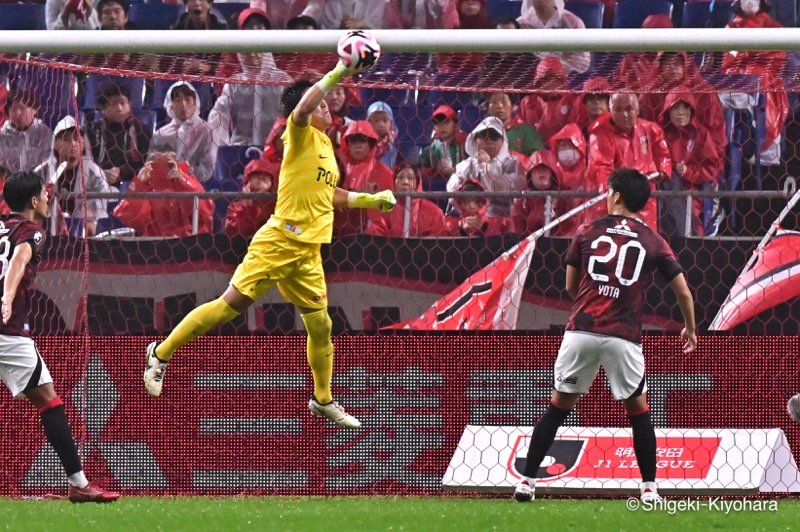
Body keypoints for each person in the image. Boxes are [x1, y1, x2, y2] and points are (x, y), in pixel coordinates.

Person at [142, 63, 397, 430]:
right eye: (323, 104)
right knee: (226, 309)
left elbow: (328, 194)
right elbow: (304, 109)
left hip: (309, 251)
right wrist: (340, 70)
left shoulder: (326, 146)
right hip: (279, 242)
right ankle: (160, 353)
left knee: (321, 326)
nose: (328, 109)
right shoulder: (300, 132)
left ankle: (322, 399)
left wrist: (370, 201)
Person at [513, 168, 697, 504]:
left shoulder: (586, 230)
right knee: (638, 411)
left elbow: (570, 286)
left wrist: (593, 299)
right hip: (623, 336)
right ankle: (649, 489)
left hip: (581, 330)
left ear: (616, 195)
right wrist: (690, 327)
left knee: (558, 407)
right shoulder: (653, 240)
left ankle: (526, 481)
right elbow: (683, 291)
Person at [0, 171, 121, 503]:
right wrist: (7, 296)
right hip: (6, 334)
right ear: (34, 202)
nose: (49, 197)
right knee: (49, 400)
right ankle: (79, 484)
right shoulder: (32, 232)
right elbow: (20, 260)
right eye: (44, 192)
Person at [587, 93, 671, 230]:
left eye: (629, 109)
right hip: (614, 201)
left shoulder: (651, 129)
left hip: (644, 200)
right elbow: (601, 167)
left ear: (638, 110)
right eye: (618, 110)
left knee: (643, 241)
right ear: (610, 110)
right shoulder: (600, 135)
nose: (624, 115)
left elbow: (664, 157)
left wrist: (661, 171)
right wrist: (615, 189)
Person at [35, 116, 111, 237]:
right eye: (66, 139)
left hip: (84, 235)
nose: (73, 144)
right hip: (47, 233)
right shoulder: (41, 172)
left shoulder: (94, 173)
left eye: (77, 139)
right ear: (55, 143)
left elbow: (97, 215)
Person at [659, 93, 722, 237]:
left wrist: (688, 172)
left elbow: (711, 167)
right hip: (663, 187)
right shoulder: (660, 133)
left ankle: (689, 242)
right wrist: (673, 167)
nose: (681, 112)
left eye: (685, 108)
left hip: (692, 187)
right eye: (675, 108)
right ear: (668, 111)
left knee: (688, 209)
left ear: (692, 111)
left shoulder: (701, 134)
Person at [113, 150, 213, 237]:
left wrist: (184, 181)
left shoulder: (187, 181)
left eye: (169, 164)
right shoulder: (146, 185)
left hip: (188, 243)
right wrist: (138, 184)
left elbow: (205, 213)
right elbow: (131, 219)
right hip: (154, 244)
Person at [447, 116, 525, 218]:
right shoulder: (467, 165)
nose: (489, 141)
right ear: (475, 140)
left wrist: (487, 166)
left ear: (503, 140)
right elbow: (451, 189)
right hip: (471, 219)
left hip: (506, 221)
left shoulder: (513, 163)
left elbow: (507, 190)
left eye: (494, 136)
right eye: (483, 136)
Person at [84, 83, 151, 187]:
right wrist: (101, 174)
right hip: (97, 183)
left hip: (133, 184)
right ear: (103, 108)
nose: (119, 108)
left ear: (130, 105)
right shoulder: (91, 131)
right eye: (114, 104)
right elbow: (86, 161)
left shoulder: (140, 130)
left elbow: (146, 162)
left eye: (123, 103)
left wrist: (120, 173)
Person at [150, 81, 217, 182]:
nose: (183, 105)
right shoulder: (160, 134)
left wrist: (183, 173)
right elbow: (150, 167)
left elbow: (207, 171)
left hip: (195, 189)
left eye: (188, 99)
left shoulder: (207, 131)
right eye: (177, 100)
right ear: (170, 105)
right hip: (165, 189)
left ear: (195, 102)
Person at [366, 162, 446, 237]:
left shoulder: (433, 211)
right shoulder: (384, 209)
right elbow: (376, 234)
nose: (405, 182)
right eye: (400, 178)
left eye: (410, 178)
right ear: (394, 181)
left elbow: (436, 239)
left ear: (417, 182)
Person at [516, 0, 589, 74]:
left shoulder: (572, 22)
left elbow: (583, 60)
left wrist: (558, 67)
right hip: (530, 77)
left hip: (564, 77)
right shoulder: (521, 24)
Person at [0, 89, 53, 178]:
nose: (18, 113)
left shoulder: (45, 134)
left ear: (35, 109)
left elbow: (48, 166)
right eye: (13, 109)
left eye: (22, 108)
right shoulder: (2, 136)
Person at [224, 158, 279, 238]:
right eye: (256, 174)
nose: (261, 177)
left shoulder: (279, 204)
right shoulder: (236, 207)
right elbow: (233, 232)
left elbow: (291, 228)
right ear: (247, 180)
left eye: (266, 174)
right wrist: (247, 208)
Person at [486, 91, 544, 158]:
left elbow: (538, 156)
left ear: (512, 106)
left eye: (504, 102)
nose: (499, 106)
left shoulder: (526, 130)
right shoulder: (482, 132)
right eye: (494, 102)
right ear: (488, 108)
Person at [446, 179, 513, 236]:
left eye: (476, 200)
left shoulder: (501, 223)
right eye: (466, 201)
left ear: (484, 201)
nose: (471, 206)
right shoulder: (452, 224)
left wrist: (484, 227)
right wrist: (462, 230)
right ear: (460, 203)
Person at [366, 101, 398, 168]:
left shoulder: (392, 144)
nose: (381, 124)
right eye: (376, 120)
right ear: (369, 122)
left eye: (385, 120)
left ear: (391, 123)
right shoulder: (363, 140)